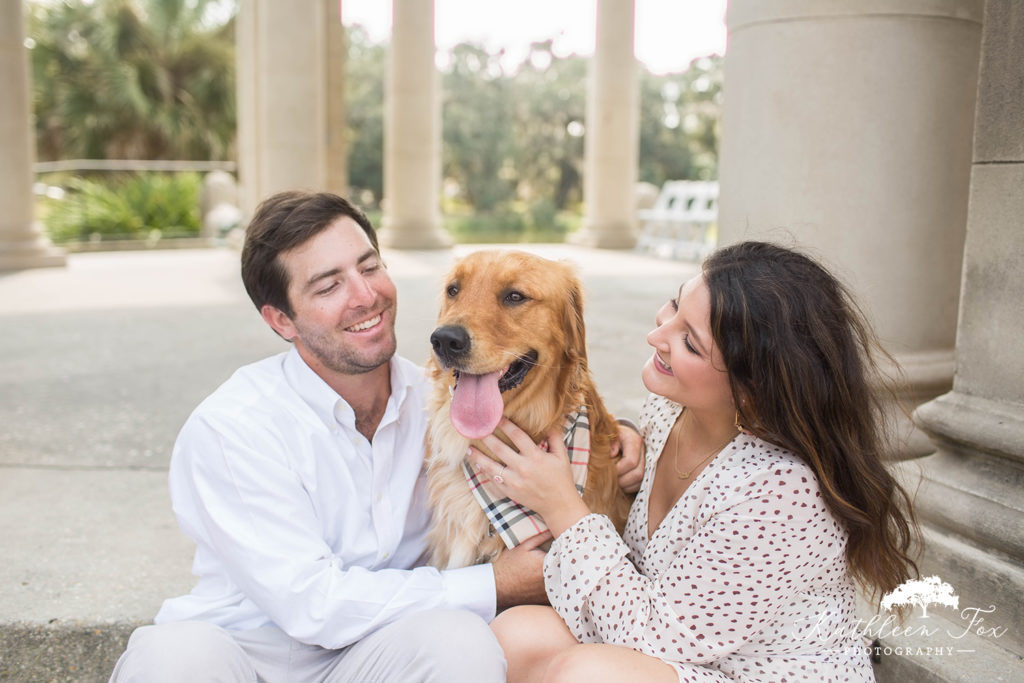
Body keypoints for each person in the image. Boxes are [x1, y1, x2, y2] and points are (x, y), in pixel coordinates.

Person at [109, 190, 645, 683]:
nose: (365, 296)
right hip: (247, 651)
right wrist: (497, 584)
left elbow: (552, 401)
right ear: (281, 320)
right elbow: (311, 604)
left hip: (377, 652)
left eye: (370, 267)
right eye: (329, 285)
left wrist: (621, 435)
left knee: (458, 642)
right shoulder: (233, 427)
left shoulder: (440, 403)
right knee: (170, 659)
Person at [469, 241, 919, 682]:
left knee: (588, 675)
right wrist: (622, 433)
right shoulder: (667, 410)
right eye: (673, 306)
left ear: (748, 390)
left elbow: (649, 637)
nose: (656, 336)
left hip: (748, 671)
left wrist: (562, 506)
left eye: (689, 342)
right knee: (516, 634)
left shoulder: (783, 491)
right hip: (676, 650)